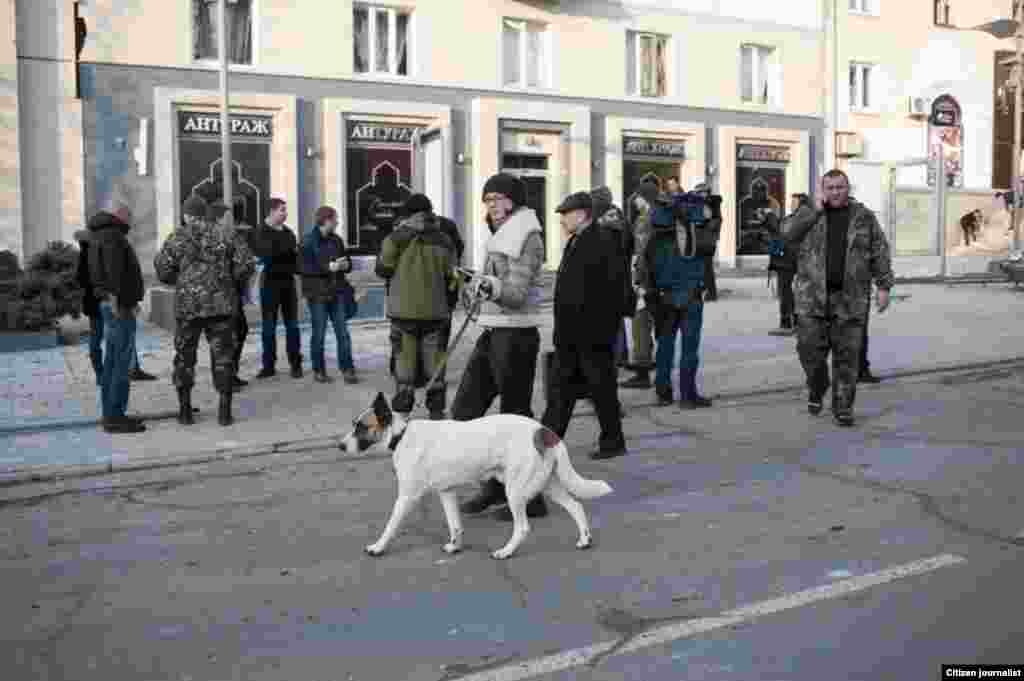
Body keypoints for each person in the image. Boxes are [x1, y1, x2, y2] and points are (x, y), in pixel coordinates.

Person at [455, 173, 547, 520]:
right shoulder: (499, 235)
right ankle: (494, 487)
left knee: (516, 419)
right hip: (494, 331)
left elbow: (516, 294)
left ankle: (531, 497)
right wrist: (473, 286)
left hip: (517, 335)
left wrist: (489, 287)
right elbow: (495, 285)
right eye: (487, 200)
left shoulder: (527, 237)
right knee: (465, 413)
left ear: (513, 201)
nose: (491, 206)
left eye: (497, 199)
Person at [787, 170, 893, 427]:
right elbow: (787, 234)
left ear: (848, 188)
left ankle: (843, 406)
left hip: (850, 298)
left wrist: (883, 286)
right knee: (808, 350)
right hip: (811, 297)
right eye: (830, 188)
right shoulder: (809, 214)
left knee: (847, 357)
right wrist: (812, 211)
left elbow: (879, 249)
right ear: (822, 190)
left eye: (840, 187)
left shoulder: (864, 217)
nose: (835, 192)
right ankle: (817, 383)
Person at [542, 191, 629, 460]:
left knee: (600, 390)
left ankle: (612, 441)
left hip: (591, 335)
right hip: (572, 335)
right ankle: (546, 444)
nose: (561, 220)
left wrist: (602, 328)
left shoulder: (601, 241)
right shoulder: (577, 241)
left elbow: (615, 290)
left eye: (565, 214)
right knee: (563, 392)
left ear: (581, 215)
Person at [155, 195, 252, 426]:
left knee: (184, 358)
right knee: (223, 358)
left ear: (187, 215)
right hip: (221, 307)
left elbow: (163, 269)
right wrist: (228, 281)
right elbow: (246, 263)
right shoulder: (226, 233)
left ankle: (185, 411)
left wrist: (182, 282)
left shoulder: (177, 237)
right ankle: (224, 412)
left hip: (188, 309)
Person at [375, 193, 457, 420]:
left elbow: (382, 269)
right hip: (436, 314)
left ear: (407, 213)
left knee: (404, 369)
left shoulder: (396, 238)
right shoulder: (445, 239)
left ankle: (401, 421)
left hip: (403, 315)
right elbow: (453, 276)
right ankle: (437, 416)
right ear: (430, 212)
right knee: (435, 370)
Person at [640, 198, 714, 409]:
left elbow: (647, 264)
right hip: (690, 296)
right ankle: (688, 396)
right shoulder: (695, 230)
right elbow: (710, 248)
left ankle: (663, 393)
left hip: (664, 297)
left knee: (665, 346)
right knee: (689, 349)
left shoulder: (656, 236)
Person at [86, 197, 146, 434]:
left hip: (109, 305)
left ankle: (110, 413)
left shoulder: (97, 235)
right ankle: (115, 418)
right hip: (117, 308)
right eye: (129, 217)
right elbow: (114, 275)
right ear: (119, 215)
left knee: (111, 362)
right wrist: (123, 303)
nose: (130, 222)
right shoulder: (113, 236)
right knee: (120, 363)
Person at [301, 205, 359, 385]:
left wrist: (344, 265)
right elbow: (303, 268)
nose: (338, 222)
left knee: (343, 333)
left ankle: (347, 369)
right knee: (318, 334)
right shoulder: (308, 241)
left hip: (337, 292)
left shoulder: (337, 240)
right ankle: (319, 370)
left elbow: (347, 262)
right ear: (326, 220)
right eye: (335, 219)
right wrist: (328, 268)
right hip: (318, 294)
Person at [248, 198, 303, 379]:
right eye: (282, 210)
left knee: (292, 325)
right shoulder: (260, 231)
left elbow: (294, 259)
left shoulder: (288, 232)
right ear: (271, 212)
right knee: (269, 326)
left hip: (288, 283)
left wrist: (284, 253)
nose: (285, 213)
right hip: (270, 283)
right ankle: (268, 366)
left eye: (285, 210)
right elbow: (266, 254)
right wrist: (286, 251)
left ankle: (295, 364)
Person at [206, 202, 257, 391]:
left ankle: (229, 374)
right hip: (222, 295)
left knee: (238, 331)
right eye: (229, 217)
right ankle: (224, 379)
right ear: (219, 219)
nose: (233, 220)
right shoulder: (223, 237)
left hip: (229, 294)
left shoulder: (228, 235)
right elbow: (244, 263)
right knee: (224, 338)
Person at [621, 180, 660, 389]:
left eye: (636, 197)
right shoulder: (661, 216)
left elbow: (641, 253)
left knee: (640, 325)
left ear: (643, 197)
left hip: (645, 280)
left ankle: (642, 373)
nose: (634, 201)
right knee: (656, 327)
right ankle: (656, 369)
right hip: (659, 280)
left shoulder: (646, 220)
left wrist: (637, 281)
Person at [591, 186, 634, 368]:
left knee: (609, 318)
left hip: (608, 276)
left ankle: (614, 356)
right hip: (620, 275)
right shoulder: (620, 218)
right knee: (615, 318)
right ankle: (620, 355)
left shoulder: (604, 221)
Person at [769, 193, 812, 336]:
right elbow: (780, 232)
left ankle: (791, 323)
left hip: (794, 258)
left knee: (790, 290)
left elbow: (788, 234)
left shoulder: (804, 215)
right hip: (786, 258)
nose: (791, 205)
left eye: (794, 202)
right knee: (786, 290)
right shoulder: (792, 217)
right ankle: (789, 322)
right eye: (791, 202)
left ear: (802, 204)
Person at [692, 182, 719, 301]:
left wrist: (702, 223)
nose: (699, 195)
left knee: (707, 268)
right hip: (699, 240)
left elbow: (715, 223)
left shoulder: (712, 205)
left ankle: (711, 293)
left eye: (702, 192)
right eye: (698, 193)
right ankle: (702, 291)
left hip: (707, 241)